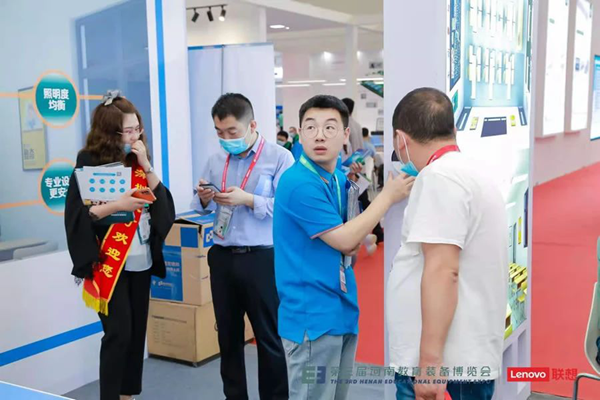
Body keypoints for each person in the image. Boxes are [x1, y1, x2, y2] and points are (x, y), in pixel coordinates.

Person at [274, 95, 415, 400]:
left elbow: (350, 242)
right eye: (310, 127)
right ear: (300, 133)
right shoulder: (298, 183)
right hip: (311, 316)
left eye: (329, 127)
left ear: (345, 133)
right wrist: (387, 197)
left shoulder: (337, 179)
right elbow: (345, 240)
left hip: (342, 307)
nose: (319, 135)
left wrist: (360, 238)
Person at [385, 88, 508, 400]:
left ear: (400, 139)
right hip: (464, 356)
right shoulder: (472, 173)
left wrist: (429, 363)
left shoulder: (440, 178)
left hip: (446, 366)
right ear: (452, 129)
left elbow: (443, 270)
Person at [65, 91, 175, 400]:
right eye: (127, 131)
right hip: (108, 263)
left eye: (137, 128)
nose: (134, 136)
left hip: (141, 259)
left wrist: (146, 164)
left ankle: (128, 395)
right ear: (109, 131)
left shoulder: (138, 162)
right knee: (118, 333)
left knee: (136, 332)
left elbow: (166, 210)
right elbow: (79, 216)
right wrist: (117, 206)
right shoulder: (89, 160)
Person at [191, 93, 293, 400]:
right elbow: (200, 206)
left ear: (252, 125)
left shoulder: (279, 158)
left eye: (232, 132)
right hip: (222, 257)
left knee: (268, 337)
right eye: (219, 132)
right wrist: (204, 198)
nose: (226, 139)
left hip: (261, 258)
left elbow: (287, 208)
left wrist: (248, 199)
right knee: (228, 337)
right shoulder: (215, 160)